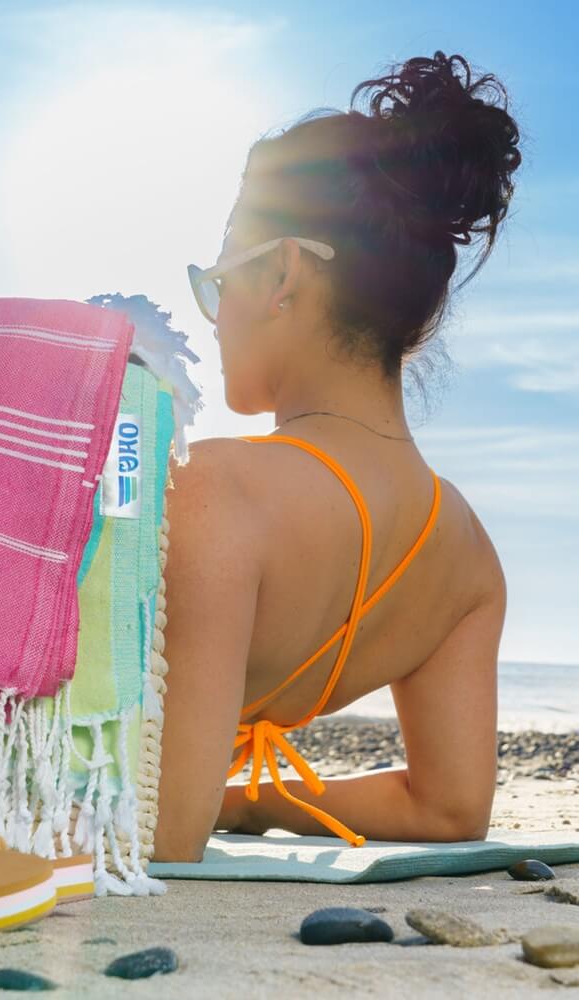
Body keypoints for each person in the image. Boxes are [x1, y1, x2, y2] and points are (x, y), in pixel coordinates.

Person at [153, 51, 522, 862]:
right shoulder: (469, 557)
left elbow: (163, 833)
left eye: (218, 280)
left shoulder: (213, 488)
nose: (214, 318)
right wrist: (247, 805)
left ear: (283, 273)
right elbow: (449, 809)